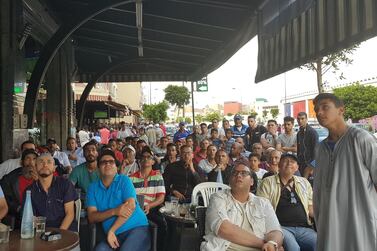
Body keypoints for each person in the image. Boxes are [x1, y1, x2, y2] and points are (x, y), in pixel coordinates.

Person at [313, 93, 377, 251]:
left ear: (341, 109)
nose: (319, 112)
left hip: (361, 223)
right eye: (316, 110)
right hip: (329, 224)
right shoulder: (321, 148)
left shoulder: (361, 139)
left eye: (325, 107)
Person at [201, 162, 283, 251]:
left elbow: (275, 230)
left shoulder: (263, 203)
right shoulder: (218, 198)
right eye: (235, 173)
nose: (238, 176)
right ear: (230, 180)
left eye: (243, 173)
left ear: (252, 181)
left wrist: (272, 243)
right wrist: (264, 244)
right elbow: (223, 229)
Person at [87, 149, 150, 251]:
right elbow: (92, 217)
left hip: (136, 228)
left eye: (111, 161)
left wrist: (112, 230)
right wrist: (114, 211)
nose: (107, 163)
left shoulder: (124, 180)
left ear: (116, 167)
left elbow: (130, 206)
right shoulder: (92, 188)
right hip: (113, 236)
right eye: (103, 162)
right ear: (98, 168)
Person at [257, 153, 316, 251]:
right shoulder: (267, 182)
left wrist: (323, 218)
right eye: (285, 161)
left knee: (321, 243)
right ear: (279, 165)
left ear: (297, 167)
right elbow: (262, 208)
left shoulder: (304, 182)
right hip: (281, 228)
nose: (289, 163)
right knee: (293, 248)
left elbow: (310, 208)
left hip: (304, 228)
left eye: (292, 162)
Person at [26, 153, 77, 231]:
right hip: (42, 233)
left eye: (49, 162)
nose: (45, 164)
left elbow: (70, 214)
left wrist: (58, 234)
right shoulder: (29, 191)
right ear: (35, 167)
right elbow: (30, 218)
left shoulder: (65, 184)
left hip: (66, 232)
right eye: (41, 162)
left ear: (54, 168)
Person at [129, 147, 167, 251]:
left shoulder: (158, 176)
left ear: (153, 161)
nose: (146, 159)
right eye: (143, 157)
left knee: (162, 224)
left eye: (149, 157)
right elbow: (128, 197)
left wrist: (149, 206)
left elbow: (161, 197)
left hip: (152, 207)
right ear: (139, 161)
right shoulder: (131, 178)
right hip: (135, 209)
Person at [0, 149, 39, 228]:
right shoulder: (10, 178)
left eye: (34, 159)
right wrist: (19, 209)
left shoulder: (43, 177)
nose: (31, 162)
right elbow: (6, 199)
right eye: (28, 158)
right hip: (18, 217)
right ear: (22, 162)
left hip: (39, 216)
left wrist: (39, 183)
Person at [296, 112, 318, 178]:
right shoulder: (299, 133)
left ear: (306, 119)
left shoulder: (312, 132)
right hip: (301, 163)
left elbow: (316, 150)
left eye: (302, 119)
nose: (300, 121)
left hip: (310, 164)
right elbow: (298, 150)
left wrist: (312, 166)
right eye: (298, 119)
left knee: (307, 185)